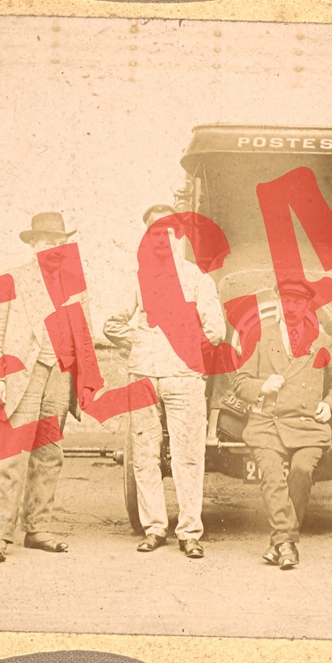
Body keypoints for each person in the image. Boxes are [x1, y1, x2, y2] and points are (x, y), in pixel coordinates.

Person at [103, 204, 227, 558]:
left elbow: (216, 330)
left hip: (184, 378)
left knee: (188, 456)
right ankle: (154, 527)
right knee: (144, 455)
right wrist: (139, 342)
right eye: (153, 233)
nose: (161, 239)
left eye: (167, 232)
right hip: (143, 375)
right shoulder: (136, 279)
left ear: (179, 236)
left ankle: (189, 532)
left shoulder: (197, 279)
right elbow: (112, 323)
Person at [0, 211, 89, 563]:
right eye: (47, 241)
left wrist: (84, 381)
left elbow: (84, 336)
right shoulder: (12, 280)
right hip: (20, 375)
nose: (54, 248)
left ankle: (38, 527)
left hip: (59, 375)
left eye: (60, 242)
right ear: (33, 244)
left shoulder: (75, 285)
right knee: (13, 454)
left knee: (49, 453)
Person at [233, 278, 332, 571]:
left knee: (301, 470)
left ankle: (281, 542)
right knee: (272, 473)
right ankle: (287, 543)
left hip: (308, 426)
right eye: (287, 301)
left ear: (307, 306)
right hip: (268, 425)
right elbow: (240, 382)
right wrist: (262, 385)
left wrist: (330, 404)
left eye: (298, 302)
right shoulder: (261, 337)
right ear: (278, 304)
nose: (292, 307)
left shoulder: (321, 341)